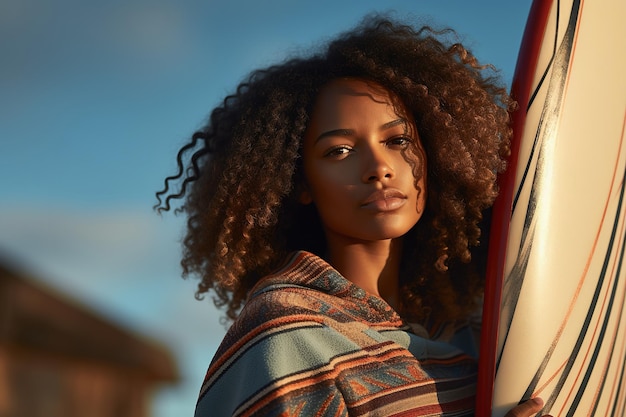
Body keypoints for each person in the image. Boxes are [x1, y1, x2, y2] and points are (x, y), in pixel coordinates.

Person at [155, 15, 551, 417]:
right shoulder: (286, 337)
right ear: (300, 183)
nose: (379, 167)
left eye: (397, 140)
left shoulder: (485, 326)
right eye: (339, 151)